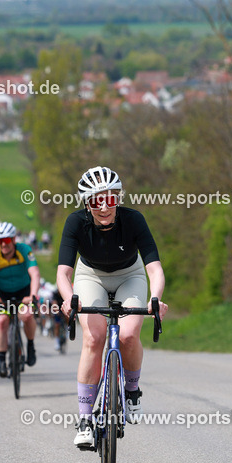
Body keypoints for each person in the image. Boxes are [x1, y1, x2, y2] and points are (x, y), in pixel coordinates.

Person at [57, 166, 167, 448]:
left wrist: (154, 299)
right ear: (86, 203)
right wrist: (70, 298)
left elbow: (154, 268)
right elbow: (63, 274)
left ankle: (132, 391)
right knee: (94, 337)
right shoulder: (75, 223)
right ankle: (84, 420)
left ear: (119, 198)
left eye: (111, 198)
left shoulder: (134, 220)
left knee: (129, 334)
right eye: (96, 200)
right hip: (89, 275)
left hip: (130, 275)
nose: (104, 207)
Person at [0, 222, 41, 378]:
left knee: (26, 315)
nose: (3, 244)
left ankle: (31, 346)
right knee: (1, 322)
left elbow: (35, 273)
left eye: (6, 240)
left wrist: (32, 295)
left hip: (24, 292)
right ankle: (1, 361)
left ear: (13, 239)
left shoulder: (25, 250)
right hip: (2, 294)